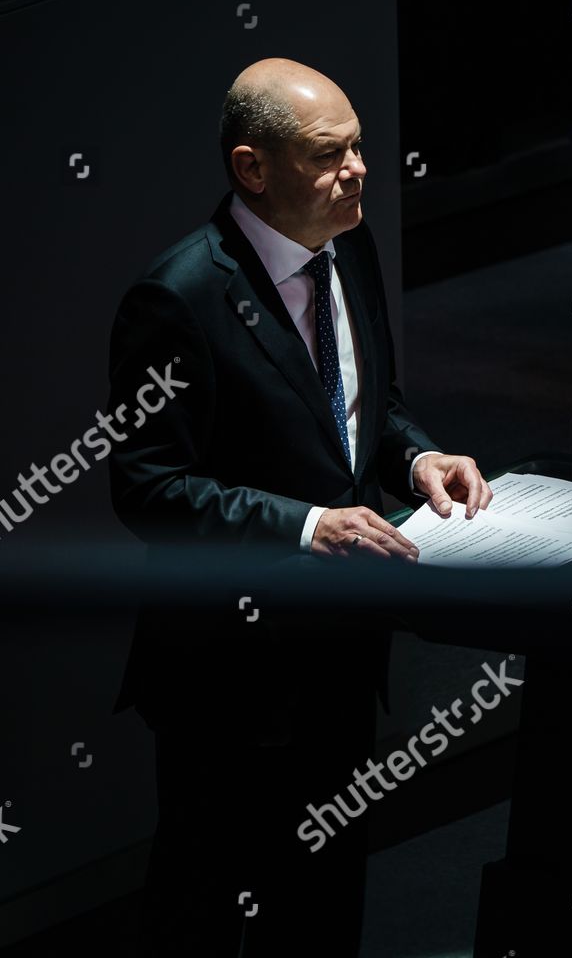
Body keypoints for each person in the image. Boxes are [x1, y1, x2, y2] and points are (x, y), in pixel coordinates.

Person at [107, 57, 493, 955]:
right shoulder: (178, 298)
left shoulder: (346, 245)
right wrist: (310, 525)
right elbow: (149, 488)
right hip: (229, 674)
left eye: (359, 147)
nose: (357, 169)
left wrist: (420, 456)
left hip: (340, 652)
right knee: (204, 906)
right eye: (330, 154)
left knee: (322, 905)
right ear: (253, 168)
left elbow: (363, 411)